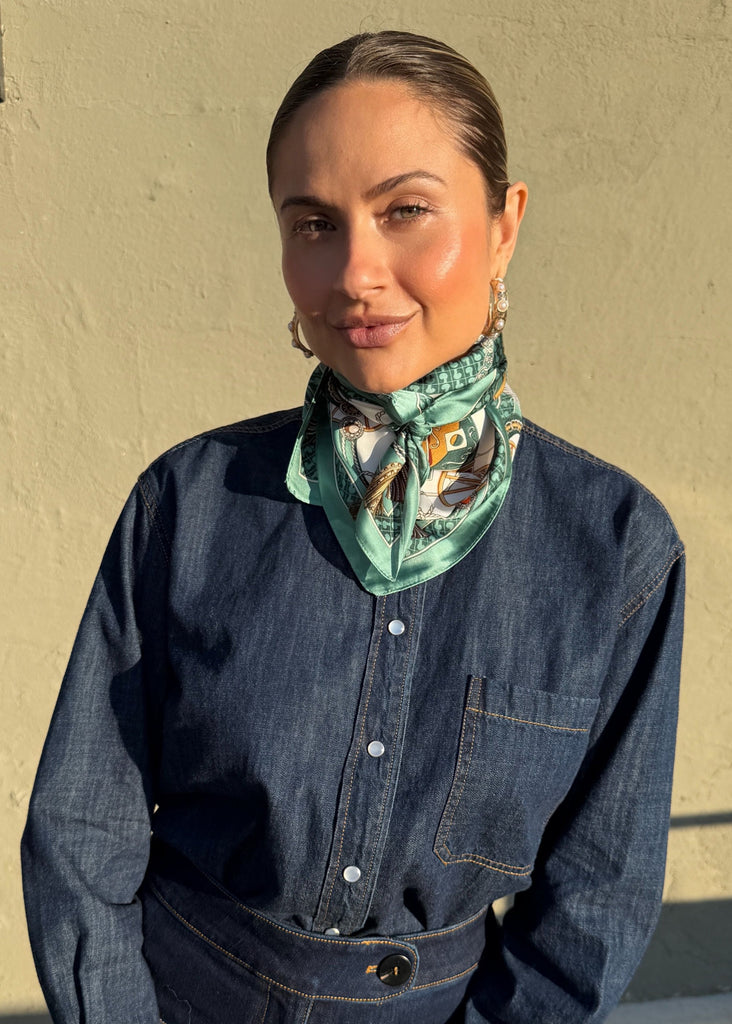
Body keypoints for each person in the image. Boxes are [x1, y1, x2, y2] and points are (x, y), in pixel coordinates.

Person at [21, 30, 685, 1024]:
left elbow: (598, 891)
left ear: (506, 223)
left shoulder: (614, 545)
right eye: (314, 224)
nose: (355, 273)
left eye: (406, 211)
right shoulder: (191, 503)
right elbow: (82, 825)